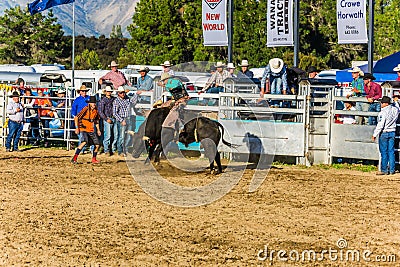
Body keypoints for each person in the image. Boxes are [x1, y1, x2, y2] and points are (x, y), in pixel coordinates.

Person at [159, 73, 189, 148]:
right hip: (178, 99)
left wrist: (163, 85)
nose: (164, 82)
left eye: (164, 81)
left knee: (175, 110)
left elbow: (175, 88)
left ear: (166, 79)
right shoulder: (172, 82)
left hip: (182, 99)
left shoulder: (174, 82)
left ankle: (181, 126)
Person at [71, 96, 102, 164]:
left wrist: (98, 130)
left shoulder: (96, 110)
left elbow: (96, 121)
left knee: (97, 145)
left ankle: (94, 159)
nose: (94, 104)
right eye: (92, 103)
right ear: (89, 103)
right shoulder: (85, 109)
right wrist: (77, 128)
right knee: (84, 142)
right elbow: (76, 118)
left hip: (91, 129)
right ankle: (75, 158)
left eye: (94, 103)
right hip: (84, 128)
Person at [372, 96, 399, 175]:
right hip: (392, 131)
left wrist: (375, 134)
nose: (381, 104)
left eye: (382, 102)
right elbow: (398, 108)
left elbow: (380, 124)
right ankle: (392, 169)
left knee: (384, 152)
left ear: (385, 103)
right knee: (391, 151)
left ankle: (384, 169)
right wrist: (396, 102)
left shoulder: (382, 112)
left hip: (384, 132)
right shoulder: (395, 109)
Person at [113, 86, 138, 157]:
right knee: (122, 136)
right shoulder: (116, 101)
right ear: (118, 93)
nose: (123, 94)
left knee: (129, 136)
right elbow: (114, 113)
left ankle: (125, 150)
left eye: (123, 92)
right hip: (122, 119)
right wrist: (121, 120)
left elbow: (133, 102)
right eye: (121, 93)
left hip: (128, 118)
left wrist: (136, 95)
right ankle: (120, 151)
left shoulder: (127, 99)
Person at [98, 86, 117, 156]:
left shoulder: (114, 99)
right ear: (105, 92)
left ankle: (112, 149)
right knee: (108, 135)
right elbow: (100, 112)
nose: (109, 92)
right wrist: (106, 119)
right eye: (108, 91)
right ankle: (107, 150)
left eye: (109, 91)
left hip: (114, 118)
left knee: (115, 135)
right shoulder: (103, 100)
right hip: (108, 118)